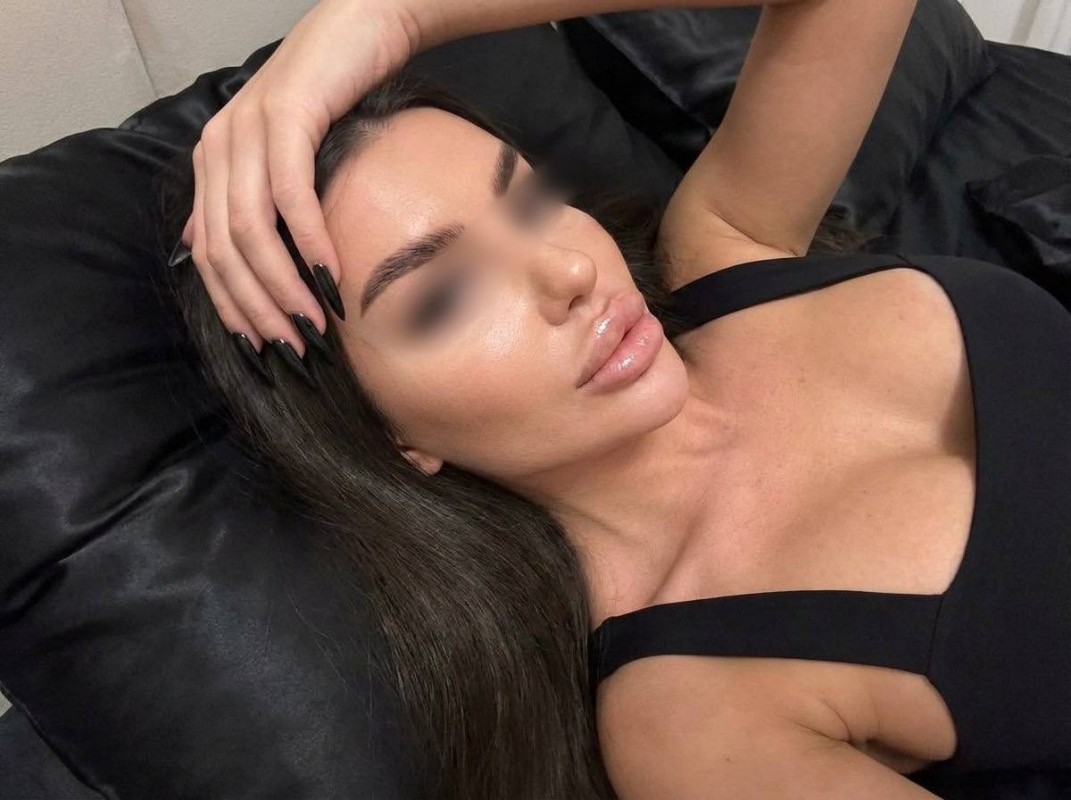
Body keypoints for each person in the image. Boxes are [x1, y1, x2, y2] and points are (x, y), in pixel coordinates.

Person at [161, 0, 1071, 797]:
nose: (569, 273)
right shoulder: (690, 719)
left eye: (529, 202)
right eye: (445, 297)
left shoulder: (728, 247)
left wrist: (388, 15)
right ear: (389, 438)